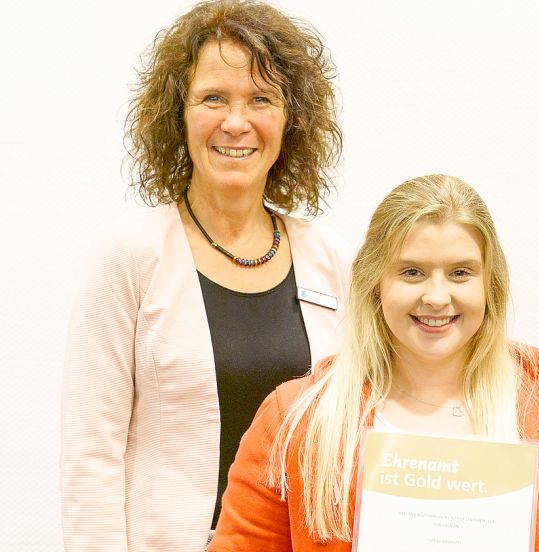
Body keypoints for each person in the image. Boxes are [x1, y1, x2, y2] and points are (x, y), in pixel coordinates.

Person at [208, 174, 539, 551]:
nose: (437, 297)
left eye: (460, 273)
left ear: (489, 285)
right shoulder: (295, 419)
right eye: (412, 272)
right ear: (374, 283)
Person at [60, 1, 350, 549]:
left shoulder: (330, 257)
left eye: (260, 99)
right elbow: (90, 454)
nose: (236, 122)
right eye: (213, 98)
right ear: (180, 113)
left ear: (291, 120)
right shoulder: (127, 255)